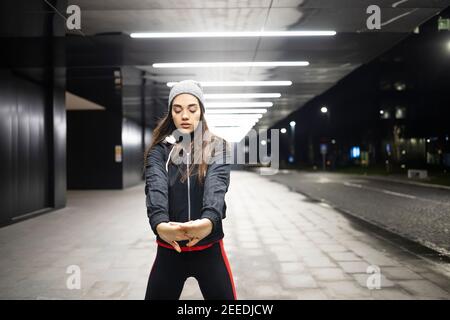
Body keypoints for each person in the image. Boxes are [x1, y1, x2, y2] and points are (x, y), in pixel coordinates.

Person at [143, 80, 236, 300]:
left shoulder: (218, 147)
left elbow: (217, 186)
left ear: (201, 112)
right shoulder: (159, 152)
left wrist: (208, 221)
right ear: (171, 114)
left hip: (209, 250)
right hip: (169, 251)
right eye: (178, 109)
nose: (185, 115)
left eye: (192, 109)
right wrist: (160, 224)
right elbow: (155, 188)